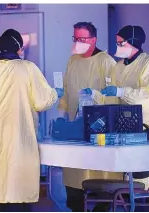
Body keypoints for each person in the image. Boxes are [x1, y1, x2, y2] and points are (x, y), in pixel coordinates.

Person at [0, 29, 63, 212]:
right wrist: (56, 94)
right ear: (18, 48)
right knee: (18, 192)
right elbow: (41, 101)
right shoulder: (27, 68)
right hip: (20, 140)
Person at [97, 25, 149, 211]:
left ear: (133, 42)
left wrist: (122, 91)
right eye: (116, 43)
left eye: (121, 43)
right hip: (130, 127)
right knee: (133, 180)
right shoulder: (118, 66)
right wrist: (95, 96)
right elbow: (113, 96)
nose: (118, 46)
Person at [57, 22, 123, 212]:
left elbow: (112, 96)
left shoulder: (105, 62)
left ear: (93, 40)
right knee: (75, 176)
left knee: (99, 177)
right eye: (75, 38)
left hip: (98, 129)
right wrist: (63, 114)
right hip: (75, 128)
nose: (78, 42)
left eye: (82, 39)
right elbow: (68, 91)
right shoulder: (73, 61)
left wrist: (96, 96)